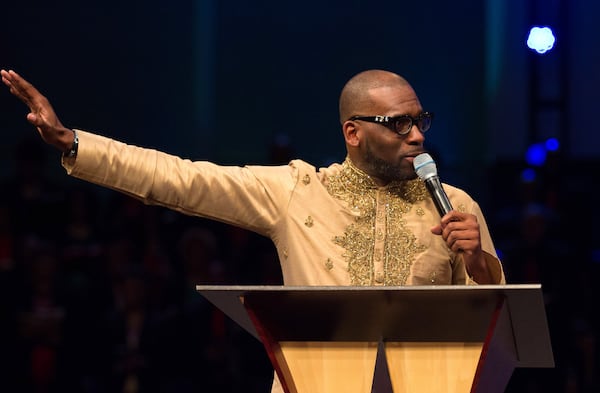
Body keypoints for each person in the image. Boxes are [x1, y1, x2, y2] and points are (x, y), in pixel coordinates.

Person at [2, 68, 505, 391]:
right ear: (353, 132)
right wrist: (74, 144)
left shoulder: (455, 204)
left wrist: (481, 265)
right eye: (398, 123)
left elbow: (500, 325)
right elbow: (178, 179)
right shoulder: (298, 191)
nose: (416, 135)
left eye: (420, 121)